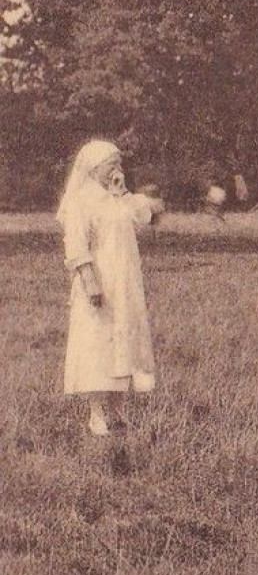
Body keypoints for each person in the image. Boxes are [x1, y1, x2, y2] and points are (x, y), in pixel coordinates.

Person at [58, 140, 162, 440]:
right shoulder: (81, 200)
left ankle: (117, 411)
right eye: (110, 164)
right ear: (93, 167)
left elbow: (145, 218)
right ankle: (96, 413)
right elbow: (76, 244)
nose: (117, 169)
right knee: (97, 343)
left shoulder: (117, 196)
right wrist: (90, 280)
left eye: (119, 163)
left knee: (122, 343)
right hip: (100, 280)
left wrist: (124, 192)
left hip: (125, 282)